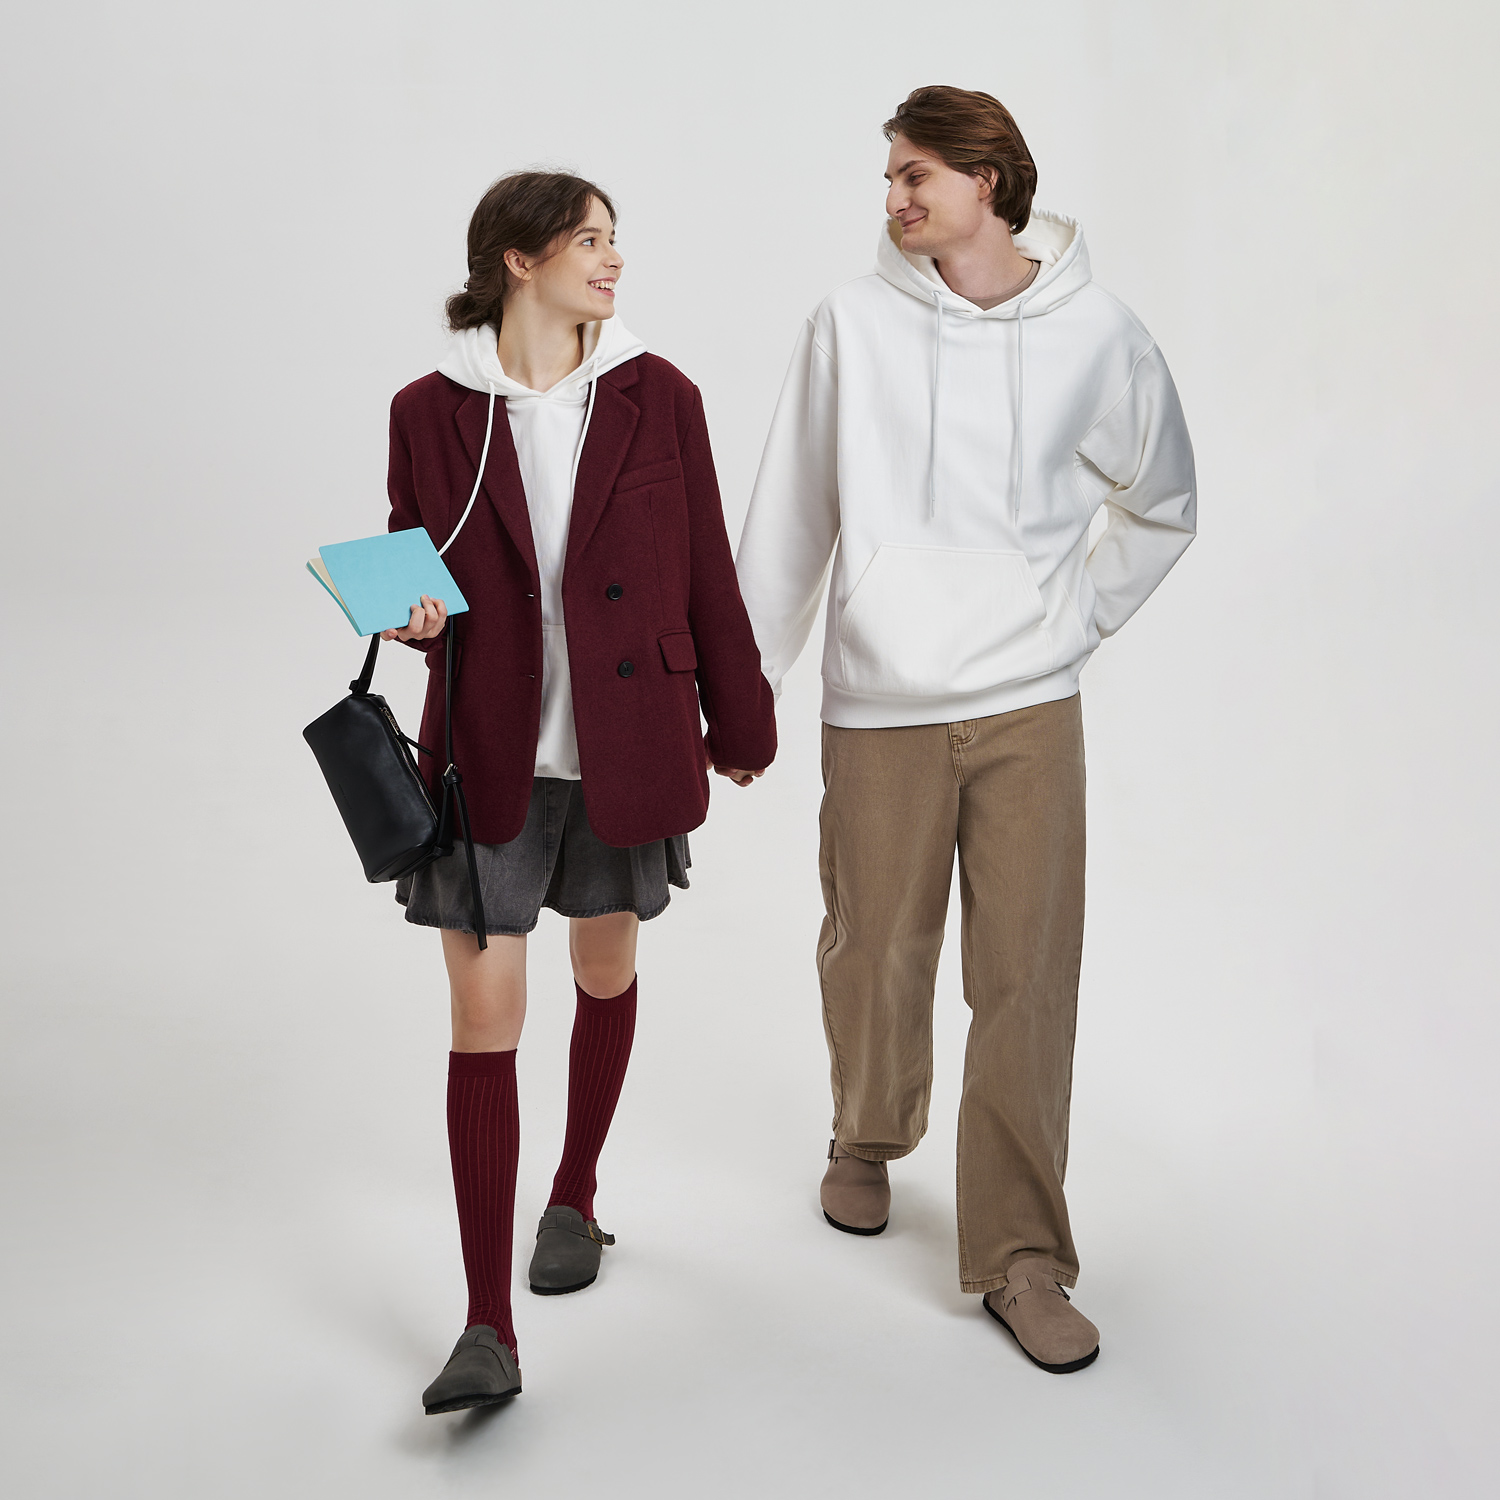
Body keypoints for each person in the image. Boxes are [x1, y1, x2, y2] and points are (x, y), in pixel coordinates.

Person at [735, 86, 1196, 1373]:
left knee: (1027, 979)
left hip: (1030, 705)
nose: (891, 197)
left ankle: (1023, 1257)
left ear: (986, 180)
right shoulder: (848, 323)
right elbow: (791, 519)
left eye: (913, 174)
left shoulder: (1099, 334)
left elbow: (1163, 502)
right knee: (874, 948)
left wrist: (1069, 621)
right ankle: (867, 1132)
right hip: (881, 700)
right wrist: (742, 688)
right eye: (890, 175)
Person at [382, 170, 775, 1413]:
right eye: (589, 240)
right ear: (518, 259)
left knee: (604, 972)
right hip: (484, 752)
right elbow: (410, 553)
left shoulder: (662, 395)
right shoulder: (430, 409)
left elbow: (706, 565)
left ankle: (574, 1194)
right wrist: (409, 614)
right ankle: (486, 1327)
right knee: (483, 1018)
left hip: (628, 741)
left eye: (616, 240)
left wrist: (742, 717)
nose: (612, 260)